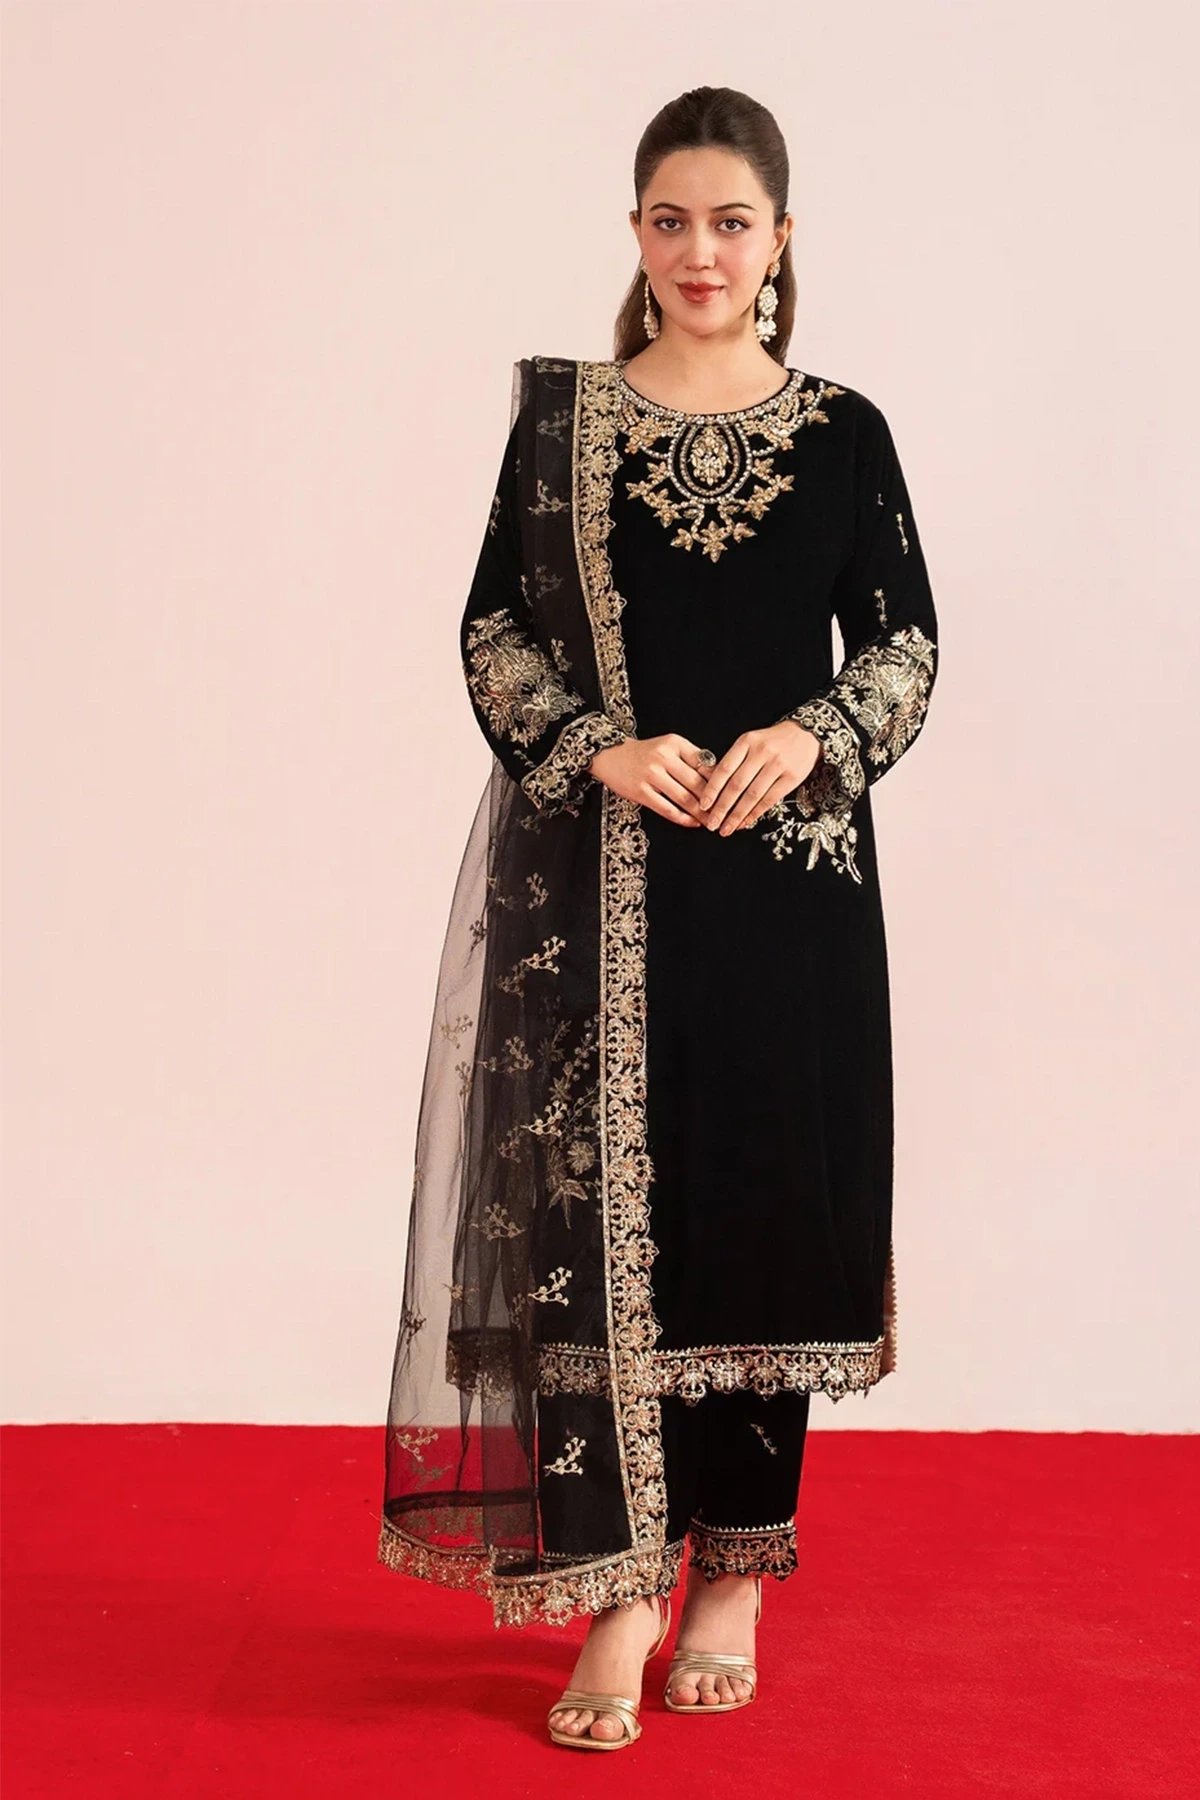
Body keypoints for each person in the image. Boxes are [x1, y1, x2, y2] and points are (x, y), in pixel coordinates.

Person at [377, 84, 939, 1752]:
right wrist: (594, 749)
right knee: (601, 1218)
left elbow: (904, 646)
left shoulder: (845, 433)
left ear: (781, 238)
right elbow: (494, 633)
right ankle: (619, 1592)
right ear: (636, 234)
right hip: (602, 892)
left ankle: (734, 1577)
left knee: (761, 1218)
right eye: (673, 220)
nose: (703, 251)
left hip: (788, 899)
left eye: (733, 222)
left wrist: (815, 737)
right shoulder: (567, 430)